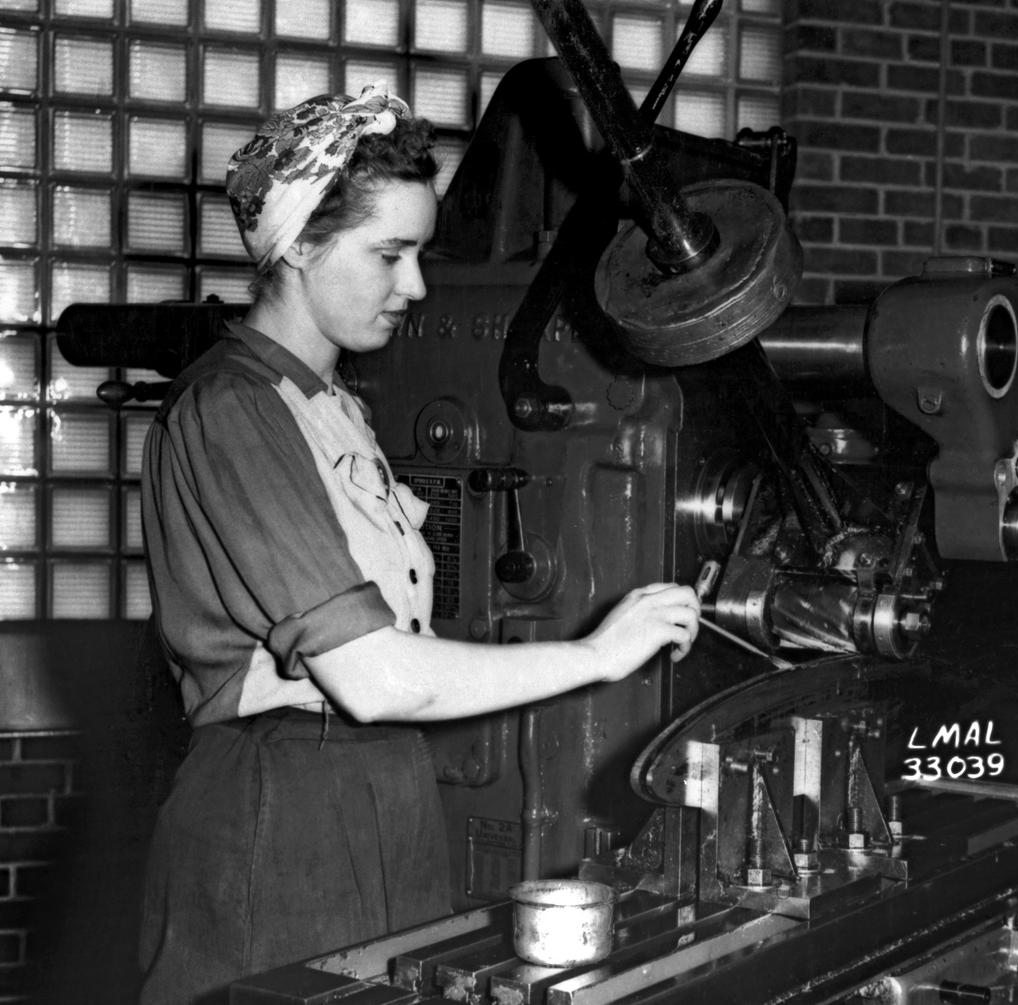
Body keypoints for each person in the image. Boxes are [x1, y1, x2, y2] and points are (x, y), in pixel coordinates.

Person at [137, 85, 700, 1005]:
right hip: (282, 814)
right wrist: (597, 654)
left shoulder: (337, 408)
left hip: (388, 790)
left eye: (419, 253)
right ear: (299, 246)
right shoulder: (233, 409)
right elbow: (377, 675)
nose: (417, 286)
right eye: (389, 254)